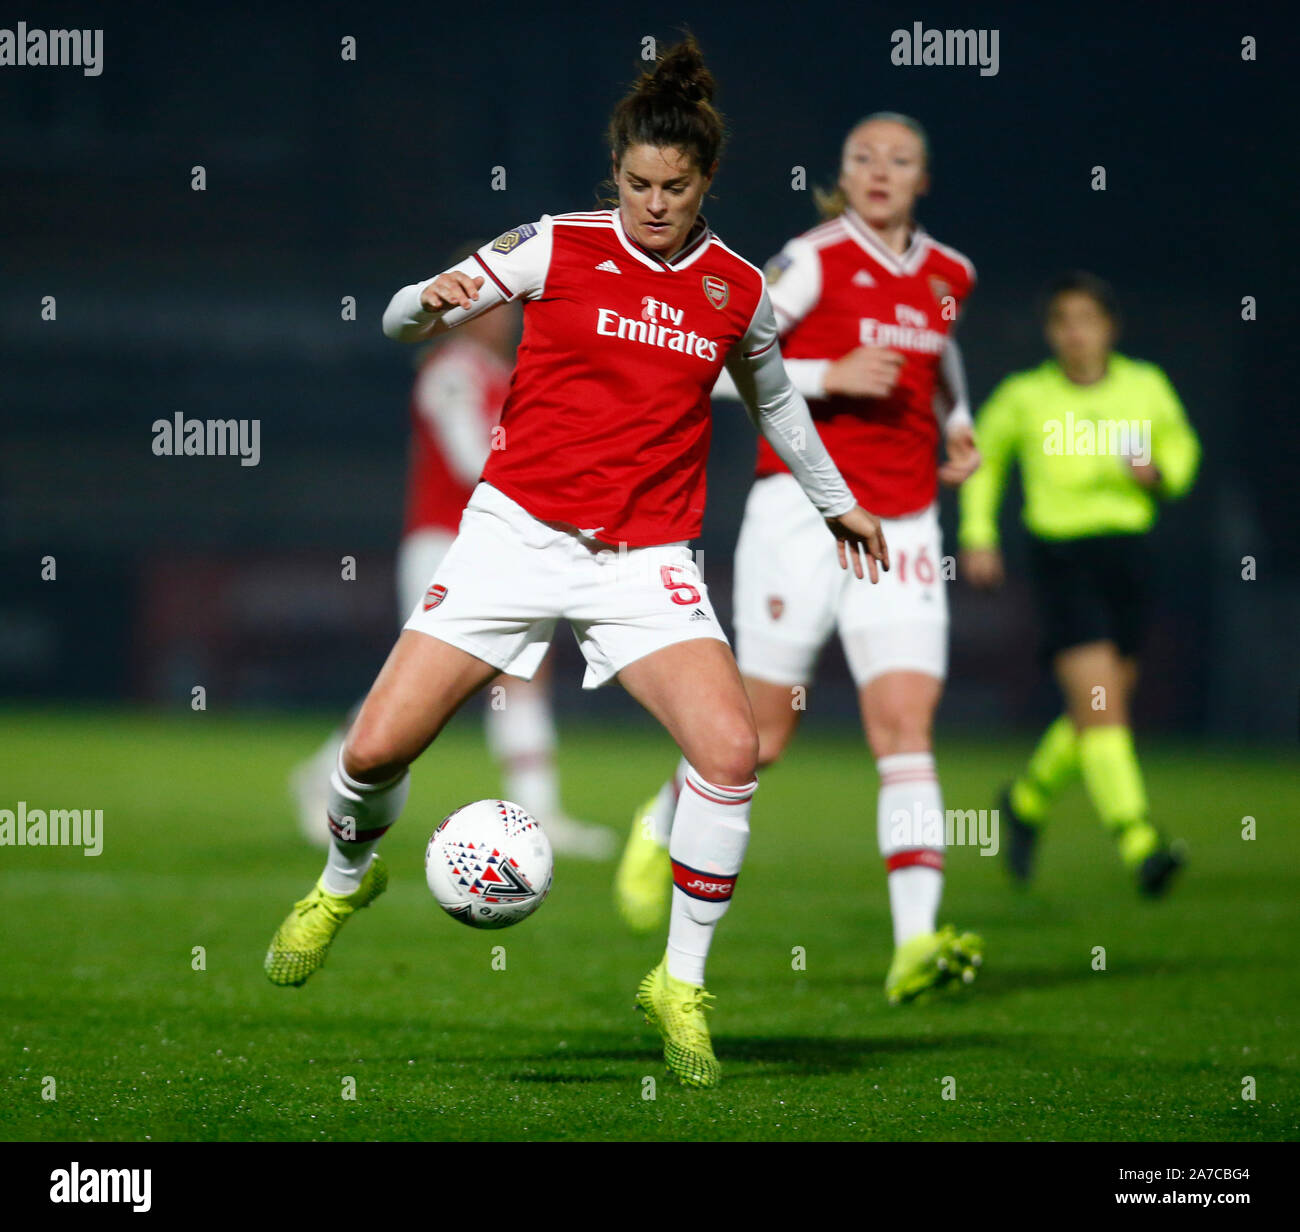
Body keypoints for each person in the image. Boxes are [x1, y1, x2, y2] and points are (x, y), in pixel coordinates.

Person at [263, 37, 889, 1090]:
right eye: (639, 184)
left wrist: (839, 504)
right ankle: (340, 881)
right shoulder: (554, 244)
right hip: (511, 539)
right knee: (372, 752)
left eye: (674, 187)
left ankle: (678, 983)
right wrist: (424, 299)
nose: (654, 204)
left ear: (705, 184)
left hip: (643, 562)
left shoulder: (736, 290)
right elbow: (404, 315)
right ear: (617, 174)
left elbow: (775, 400)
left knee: (729, 752)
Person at [615, 112, 984, 1005]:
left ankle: (914, 944)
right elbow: (712, 363)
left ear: (923, 178)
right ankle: (657, 825)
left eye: (900, 159)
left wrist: (958, 420)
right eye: (864, 157)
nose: (881, 171)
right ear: (845, 175)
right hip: (804, 518)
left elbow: (939, 348)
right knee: (763, 734)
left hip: (904, 529)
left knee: (904, 729)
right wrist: (829, 377)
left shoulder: (950, 275)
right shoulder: (812, 259)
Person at [288, 267, 613, 859]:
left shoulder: (504, 375)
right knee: (423, 685)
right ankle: (323, 773)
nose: (503, 316)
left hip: (505, 543)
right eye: (489, 305)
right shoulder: (451, 374)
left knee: (521, 672)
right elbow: (470, 459)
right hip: (445, 542)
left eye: (507, 306)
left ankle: (540, 812)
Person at [958, 272, 1201, 893]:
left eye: (1087, 319)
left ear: (1109, 328)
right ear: (1051, 332)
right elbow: (982, 463)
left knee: (1100, 704)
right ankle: (1138, 839)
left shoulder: (1145, 386)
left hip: (1127, 554)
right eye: (1063, 320)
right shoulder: (1024, 395)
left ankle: (1026, 800)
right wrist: (979, 534)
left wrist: (1162, 471)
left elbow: (1181, 446)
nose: (1075, 333)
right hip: (1060, 558)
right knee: (1102, 704)